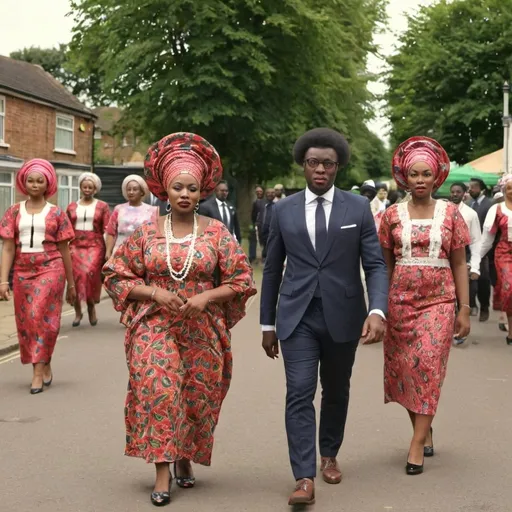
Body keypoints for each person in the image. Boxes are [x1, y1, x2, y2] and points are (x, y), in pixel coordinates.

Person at [103, 132, 256, 507]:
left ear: (202, 190)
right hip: (154, 323)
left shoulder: (217, 232)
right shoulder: (146, 232)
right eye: (177, 187)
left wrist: (207, 296)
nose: (184, 194)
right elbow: (116, 273)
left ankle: (185, 456)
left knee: (196, 396)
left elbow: (241, 279)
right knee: (160, 389)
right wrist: (154, 293)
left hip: (203, 329)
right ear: (165, 191)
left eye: (191, 187)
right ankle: (161, 470)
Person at [260, 128, 388, 506]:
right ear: (303, 165)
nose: (320, 169)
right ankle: (303, 477)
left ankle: (329, 452)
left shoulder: (357, 208)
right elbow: (271, 269)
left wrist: (377, 310)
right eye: (313, 162)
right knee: (298, 392)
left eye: (328, 164)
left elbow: (376, 265)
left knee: (335, 390)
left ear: (338, 167)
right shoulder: (282, 209)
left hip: (344, 315)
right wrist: (268, 324)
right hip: (297, 316)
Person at [379, 136, 470, 476]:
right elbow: (384, 266)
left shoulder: (451, 214)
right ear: (404, 177)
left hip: (440, 302)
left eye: (426, 175)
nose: (419, 180)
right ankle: (423, 427)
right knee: (406, 371)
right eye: (414, 174)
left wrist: (464, 307)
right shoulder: (390, 215)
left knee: (428, 366)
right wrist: (379, 306)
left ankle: (416, 443)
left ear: (436, 178)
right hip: (400, 303)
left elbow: (459, 263)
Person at [0, 159, 76, 394]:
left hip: (51, 268)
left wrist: (71, 284)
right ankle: (44, 360)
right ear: (24, 183)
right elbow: (8, 247)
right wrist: (3, 280)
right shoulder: (13, 212)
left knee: (39, 315)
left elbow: (64, 249)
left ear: (48, 184)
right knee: (27, 322)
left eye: (39, 181)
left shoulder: (56, 213)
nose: (34, 185)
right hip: (22, 271)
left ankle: (36, 373)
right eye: (30, 180)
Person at [66, 172, 110, 327]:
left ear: (95, 189)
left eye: (90, 187)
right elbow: (66, 228)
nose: (87, 189)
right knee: (77, 277)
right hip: (75, 245)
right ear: (80, 187)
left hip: (95, 245)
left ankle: (91, 306)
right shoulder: (71, 206)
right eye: (84, 186)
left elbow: (107, 228)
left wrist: (109, 250)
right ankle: (78, 311)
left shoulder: (102, 206)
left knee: (89, 274)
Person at [449, 181, 482, 345]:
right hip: (445, 259)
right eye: (453, 192)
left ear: (464, 194)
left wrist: (475, 266)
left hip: (464, 258)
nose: (455, 194)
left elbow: (476, 241)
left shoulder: (470, 214)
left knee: (463, 295)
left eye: (458, 192)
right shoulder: (443, 211)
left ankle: (460, 331)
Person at [480, 174, 512, 344]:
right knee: (509, 287)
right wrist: (477, 258)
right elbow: (487, 238)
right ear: (503, 190)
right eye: (509, 188)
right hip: (505, 253)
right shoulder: (497, 209)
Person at [105, 175, 158, 259]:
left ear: (141, 191)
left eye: (135, 189)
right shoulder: (119, 209)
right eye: (128, 189)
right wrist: (108, 251)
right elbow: (111, 232)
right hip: (119, 252)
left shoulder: (152, 210)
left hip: (142, 254)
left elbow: (155, 235)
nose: (131, 192)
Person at [468, 178, 492, 321]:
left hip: (484, 249)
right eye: (470, 187)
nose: (471, 190)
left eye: (474, 187)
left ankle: (484, 307)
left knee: (483, 279)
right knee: (471, 279)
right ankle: (472, 305)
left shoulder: (488, 205)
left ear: (481, 189)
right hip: (471, 247)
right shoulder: (470, 204)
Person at [258, 187, 276, 259]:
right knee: (264, 245)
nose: (270, 194)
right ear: (265, 194)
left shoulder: (277, 205)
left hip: (272, 229)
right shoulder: (260, 204)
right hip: (262, 229)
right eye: (268, 193)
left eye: (272, 193)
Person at [249, 185, 265, 263]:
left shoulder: (265, 202)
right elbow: (253, 215)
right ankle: (252, 257)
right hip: (256, 225)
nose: (259, 193)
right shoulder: (254, 202)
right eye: (257, 191)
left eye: (260, 191)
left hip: (264, 225)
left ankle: (263, 257)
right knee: (253, 240)